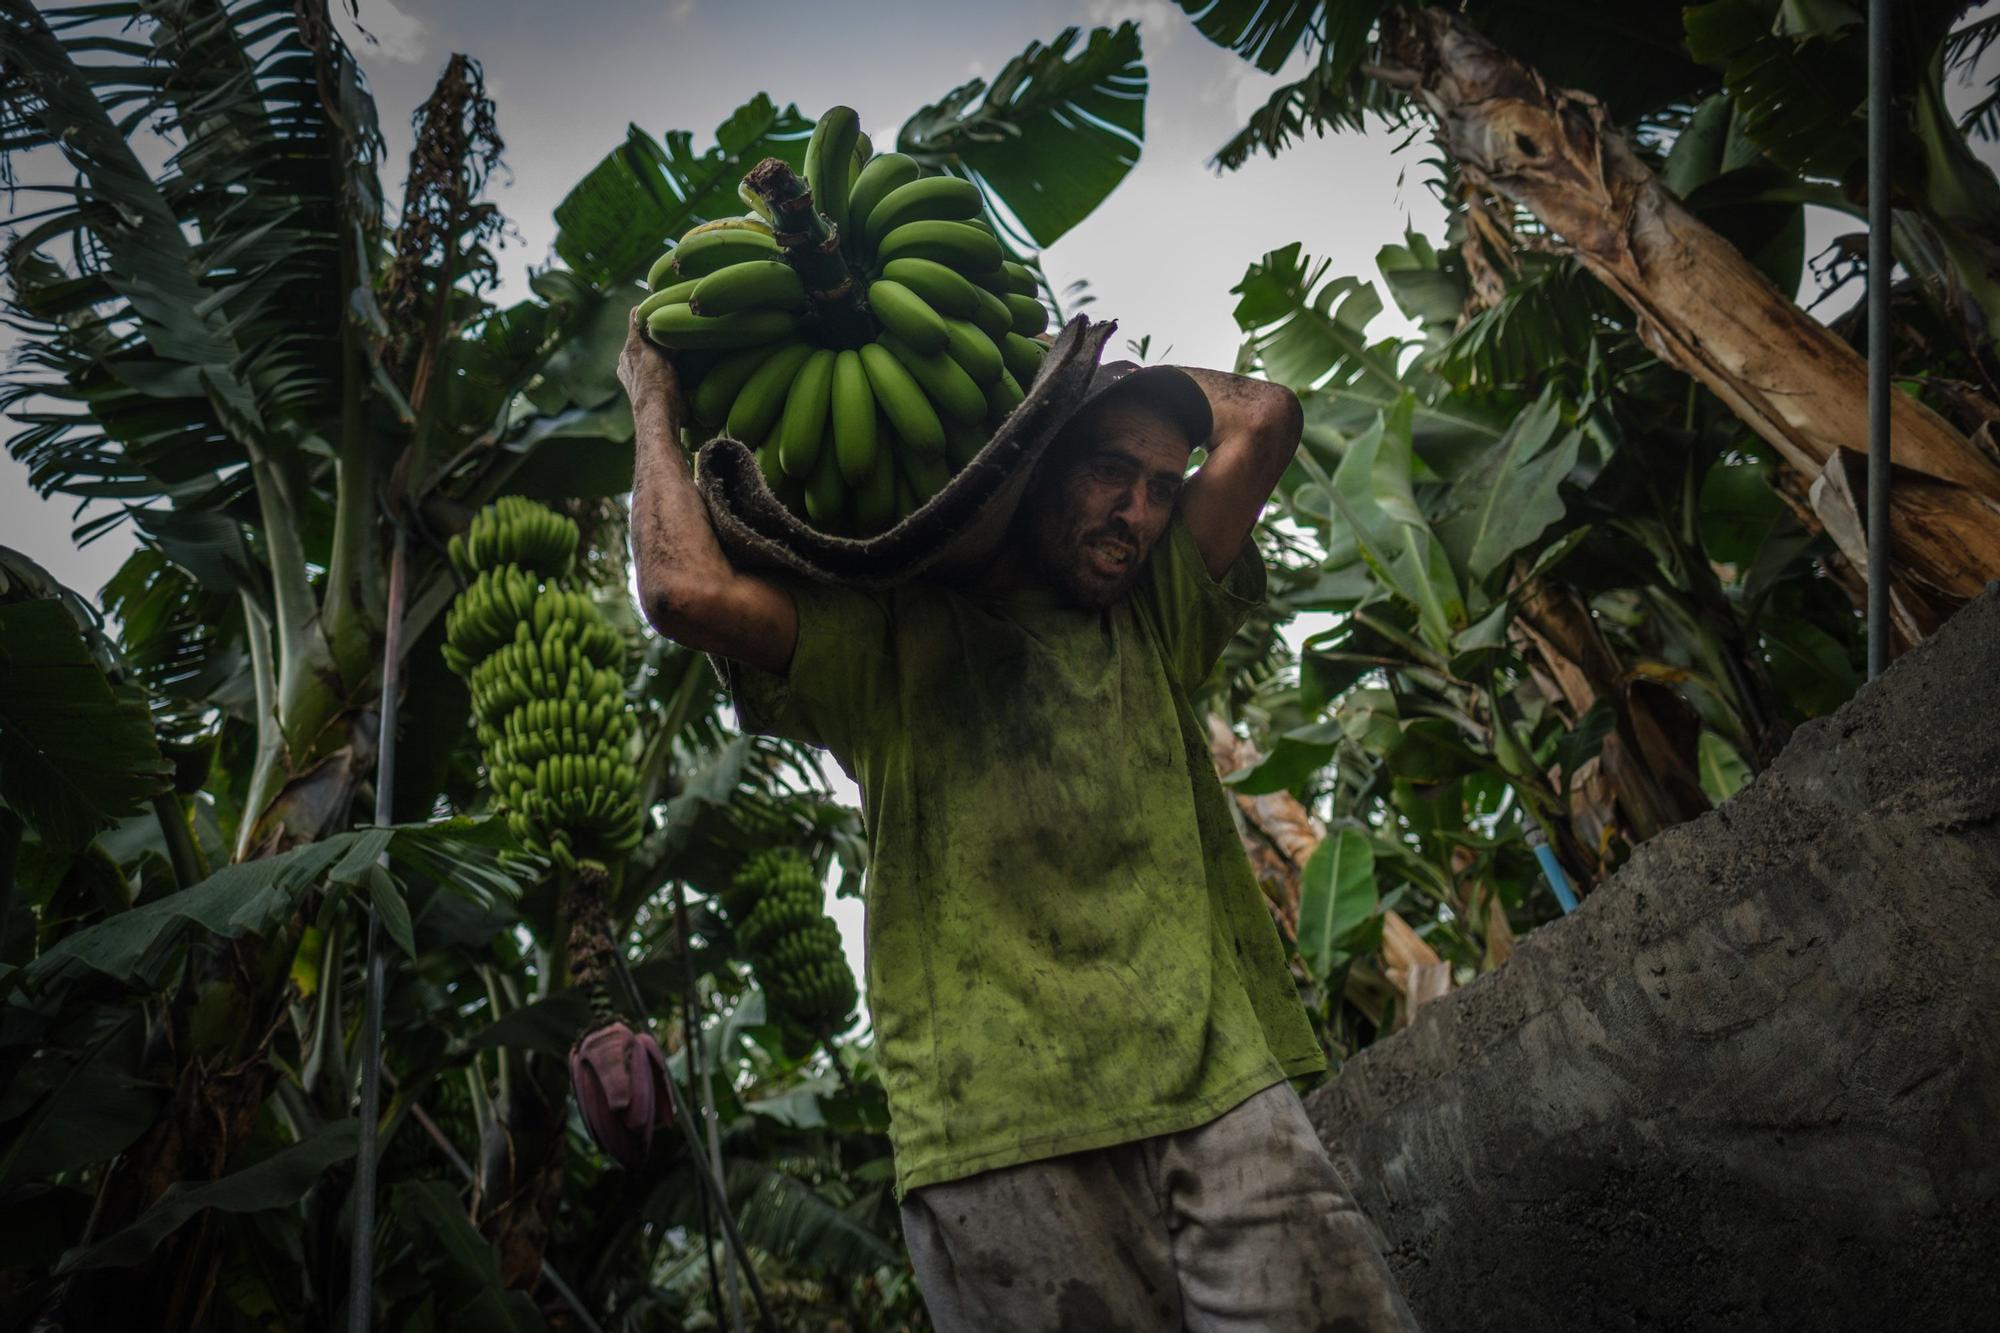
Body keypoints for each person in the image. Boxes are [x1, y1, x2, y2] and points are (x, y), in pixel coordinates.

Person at [621, 312, 1421, 1332]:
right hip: (998, 1133)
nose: (1136, 514)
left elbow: (1262, 415)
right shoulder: (886, 646)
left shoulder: (1156, 611)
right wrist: (652, 400)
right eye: (1107, 473)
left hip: (1226, 1100)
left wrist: (1080, 381)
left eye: (1160, 488)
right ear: (1035, 472)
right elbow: (682, 591)